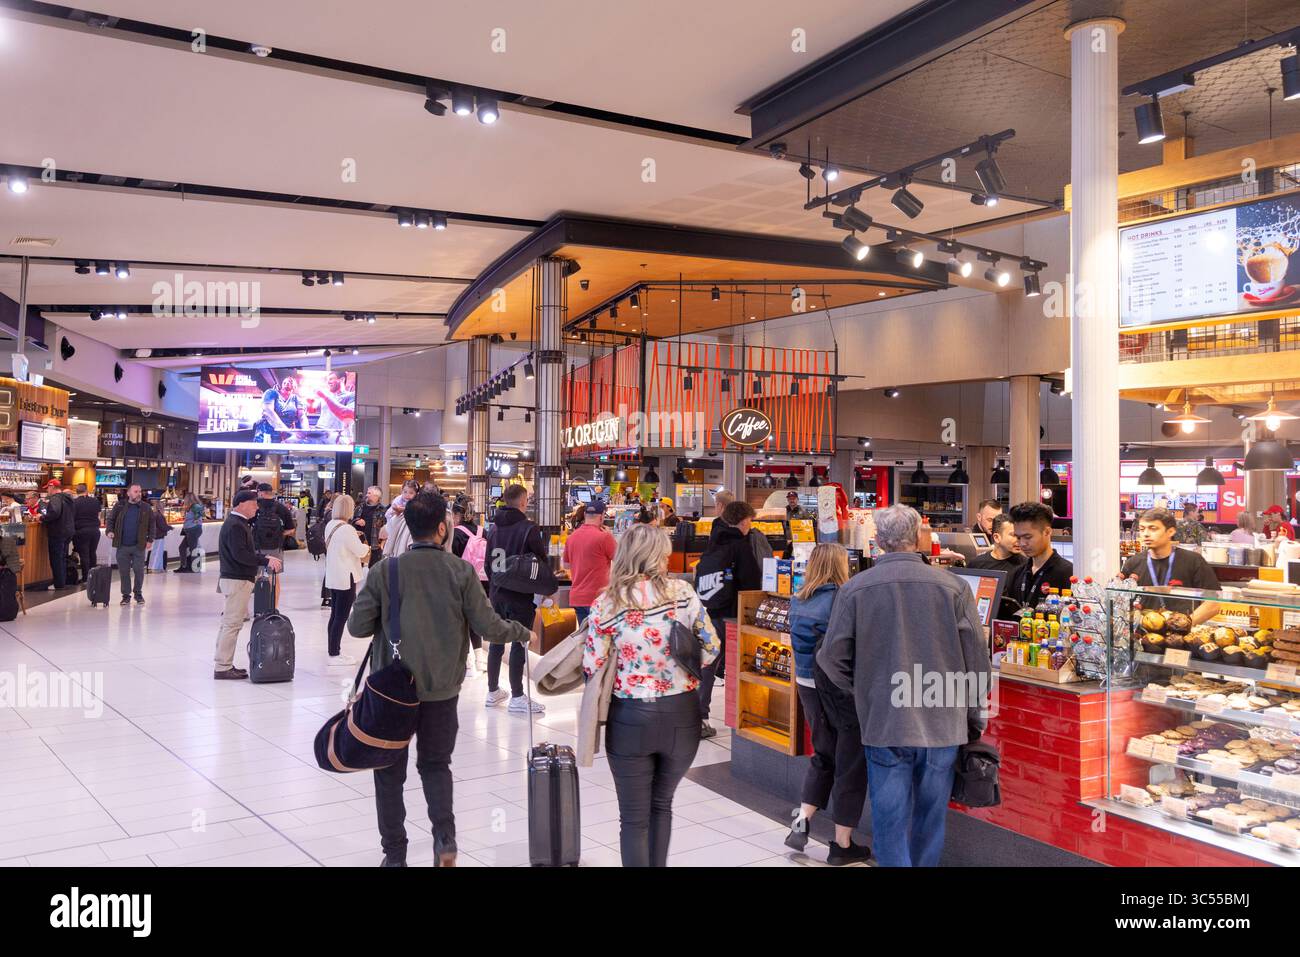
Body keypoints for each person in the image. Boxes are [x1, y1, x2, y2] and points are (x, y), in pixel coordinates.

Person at [349, 491, 533, 867]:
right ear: (441, 528)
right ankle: (444, 841)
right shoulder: (460, 571)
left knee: (388, 773)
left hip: (391, 692)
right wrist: (523, 632)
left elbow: (356, 627)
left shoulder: (387, 570)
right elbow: (489, 627)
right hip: (442, 690)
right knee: (435, 765)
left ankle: (395, 855)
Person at [817, 504, 989, 867]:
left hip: (885, 720)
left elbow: (831, 658)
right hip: (944, 721)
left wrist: (865, 688)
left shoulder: (854, 590)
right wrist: (975, 717)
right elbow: (977, 662)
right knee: (931, 816)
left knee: (889, 818)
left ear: (878, 542)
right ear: (917, 539)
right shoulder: (955, 588)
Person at [585, 523, 720, 867]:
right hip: (682, 717)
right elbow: (712, 649)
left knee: (633, 818)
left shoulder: (607, 602)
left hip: (630, 717)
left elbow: (592, 665)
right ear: (659, 555)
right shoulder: (683, 594)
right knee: (662, 804)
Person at [784, 543, 870, 865]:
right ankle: (842, 844)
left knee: (824, 753)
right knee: (850, 761)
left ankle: (802, 820)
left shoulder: (799, 598)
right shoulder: (841, 600)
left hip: (806, 685)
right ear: (840, 565)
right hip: (837, 689)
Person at [694, 499, 763, 737]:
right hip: (730, 616)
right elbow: (752, 583)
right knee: (737, 668)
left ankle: (697, 716)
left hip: (707, 612)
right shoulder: (740, 546)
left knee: (706, 666)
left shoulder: (714, 540)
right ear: (744, 521)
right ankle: (743, 717)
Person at [484, 483, 547, 714]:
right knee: (519, 641)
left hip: (497, 592)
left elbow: (487, 562)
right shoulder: (528, 528)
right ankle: (518, 696)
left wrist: (495, 585)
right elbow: (539, 562)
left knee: (496, 642)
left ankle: (492, 691)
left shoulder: (493, 528)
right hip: (519, 594)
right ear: (522, 502)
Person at [213, 490, 283, 679]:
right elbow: (240, 555)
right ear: (242, 504)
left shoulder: (237, 523)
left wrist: (263, 557)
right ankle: (222, 667)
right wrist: (264, 560)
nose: (257, 508)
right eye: (253, 504)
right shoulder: (236, 525)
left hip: (234, 578)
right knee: (232, 624)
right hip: (236, 579)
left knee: (229, 623)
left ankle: (222, 662)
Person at [1122, 507, 1221, 624]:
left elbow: (1214, 603)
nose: (1146, 534)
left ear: (1171, 531)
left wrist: (1185, 625)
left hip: (1182, 637)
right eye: (1142, 529)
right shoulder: (1133, 563)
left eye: (1153, 529)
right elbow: (1121, 601)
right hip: (1144, 635)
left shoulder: (1193, 561)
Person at [324, 492, 369, 666]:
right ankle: (335, 654)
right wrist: (364, 545)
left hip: (334, 574)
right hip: (346, 576)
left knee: (335, 614)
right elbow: (360, 551)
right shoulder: (348, 529)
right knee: (341, 616)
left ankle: (332, 650)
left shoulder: (331, 524)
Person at [1006, 501, 1074, 612]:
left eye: (1027, 537)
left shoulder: (1068, 573)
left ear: (1047, 532)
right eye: (1018, 538)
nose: (1022, 543)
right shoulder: (1017, 573)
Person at [562, 498, 616, 625]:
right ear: (602, 516)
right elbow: (621, 559)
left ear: (585, 515)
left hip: (577, 598)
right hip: (598, 599)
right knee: (599, 641)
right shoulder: (604, 537)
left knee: (584, 639)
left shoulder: (572, 537)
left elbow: (566, 565)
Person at [105, 483, 153, 605]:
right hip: (122, 545)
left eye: (140, 491)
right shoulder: (120, 505)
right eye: (136, 491)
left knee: (139, 570)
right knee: (124, 571)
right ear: (129, 493)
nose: (139, 494)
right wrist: (109, 531)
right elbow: (111, 519)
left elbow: (152, 525)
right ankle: (126, 595)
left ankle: (138, 593)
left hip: (139, 545)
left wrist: (150, 539)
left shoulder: (146, 507)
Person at [253, 483, 295, 584]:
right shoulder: (282, 508)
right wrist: (279, 534)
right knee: (274, 580)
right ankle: (273, 600)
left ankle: (258, 599)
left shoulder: (254, 506)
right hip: (275, 547)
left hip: (256, 546)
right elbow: (291, 529)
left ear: (260, 493)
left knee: (256, 576)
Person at [40, 479, 75, 590]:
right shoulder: (68, 498)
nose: (47, 491)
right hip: (68, 531)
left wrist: (42, 518)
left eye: (48, 488)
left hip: (58, 531)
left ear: (52, 487)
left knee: (56, 558)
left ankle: (58, 584)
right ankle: (62, 582)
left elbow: (54, 512)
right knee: (62, 557)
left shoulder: (55, 499)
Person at [966, 513, 1024, 577]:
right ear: (996, 537)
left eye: (1021, 535)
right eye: (1014, 535)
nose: (1019, 539)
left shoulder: (1026, 566)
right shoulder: (977, 564)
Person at [255, 375, 305, 444]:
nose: (287, 382)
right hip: (266, 436)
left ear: (295, 386)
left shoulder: (296, 399)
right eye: (285, 381)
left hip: (284, 439)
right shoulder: (271, 393)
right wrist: (289, 431)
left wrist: (306, 431)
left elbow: (302, 416)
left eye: (290, 381)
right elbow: (268, 412)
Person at [313, 370, 356, 446]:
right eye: (327, 380)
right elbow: (313, 409)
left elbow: (345, 413)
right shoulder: (326, 396)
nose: (328, 382)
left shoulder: (350, 396)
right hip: (319, 433)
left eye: (331, 379)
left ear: (342, 379)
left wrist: (324, 396)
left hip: (337, 437)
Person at [71, 484, 102, 585]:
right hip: (95, 531)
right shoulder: (95, 501)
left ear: (76, 491)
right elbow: (99, 516)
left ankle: (86, 578)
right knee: (92, 553)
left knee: (84, 555)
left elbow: (72, 518)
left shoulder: (74, 503)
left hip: (81, 531)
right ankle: (94, 576)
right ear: (86, 491)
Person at [356, 485, 386, 569]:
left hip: (375, 544)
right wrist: (357, 521)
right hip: (360, 543)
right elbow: (352, 520)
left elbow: (385, 527)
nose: (366, 495)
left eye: (369, 493)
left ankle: (372, 582)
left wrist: (383, 542)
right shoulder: (360, 507)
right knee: (357, 568)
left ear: (376, 496)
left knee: (374, 569)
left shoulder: (383, 510)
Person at [176, 492, 204, 573]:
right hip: (190, 530)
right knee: (182, 547)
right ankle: (184, 566)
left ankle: (195, 568)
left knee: (193, 548)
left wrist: (196, 519)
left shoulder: (195, 506)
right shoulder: (191, 507)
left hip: (193, 530)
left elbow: (200, 513)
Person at [147, 497, 170, 573]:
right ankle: (154, 568)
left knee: (157, 551)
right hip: (159, 535)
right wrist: (169, 527)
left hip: (156, 535)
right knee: (157, 551)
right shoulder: (159, 515)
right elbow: (162, 526)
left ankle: (157, 567)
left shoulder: (154, 514)